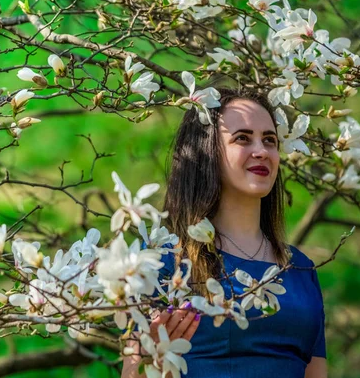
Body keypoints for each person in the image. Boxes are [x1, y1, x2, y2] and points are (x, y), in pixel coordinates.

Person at [121, 87, 327, 378]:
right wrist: (150, 361)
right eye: (242, 138)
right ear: (206, 152)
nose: (261, 151)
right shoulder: (162, 262)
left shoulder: (301, 270)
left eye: (269, 140)